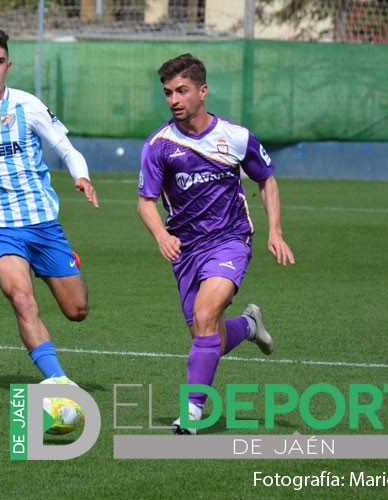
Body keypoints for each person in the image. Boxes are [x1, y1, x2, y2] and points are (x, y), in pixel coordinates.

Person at [137, 53, 295, 434]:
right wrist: (162, 235)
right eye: (168, 93)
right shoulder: (158, 146)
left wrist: (275, 231)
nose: (174, 99)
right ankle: (249, 325)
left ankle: (191, 414)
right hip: (186, 251)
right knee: (209, 338)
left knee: (207, 316)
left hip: (230, 241)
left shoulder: (235, 137)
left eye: (182, 90)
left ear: (202, 91)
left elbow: (266, 179)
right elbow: (146, 202)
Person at [0, 28, 98, 388]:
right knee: (21, 297)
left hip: (42, 223)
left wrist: (82, 175)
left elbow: (65, 147)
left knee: (77, 311)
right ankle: (57, 382)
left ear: (8, 65)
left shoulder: (27, 106)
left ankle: (64, 262)